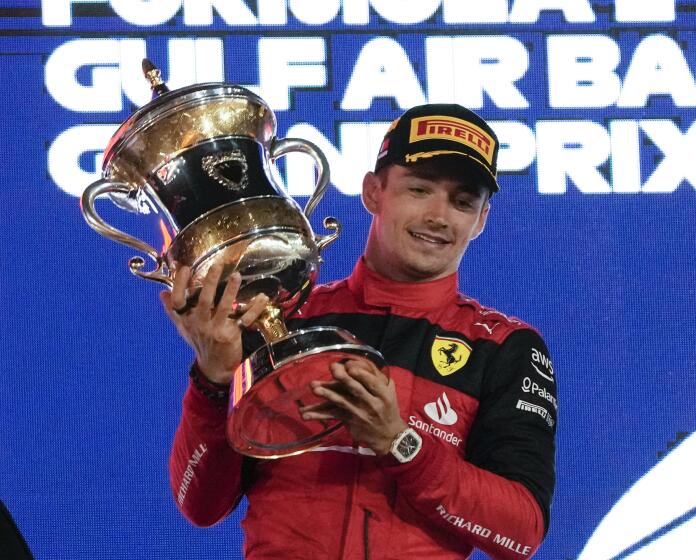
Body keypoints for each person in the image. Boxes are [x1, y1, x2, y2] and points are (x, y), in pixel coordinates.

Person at [163, 104, 557, 559]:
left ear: (481, 219)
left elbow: (523, 532)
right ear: (373, 192)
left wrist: (400, 444)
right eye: (419, 189)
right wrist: (212, 380)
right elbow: (201, 504)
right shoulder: (281, 316)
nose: (439, 216)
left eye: (463, 201)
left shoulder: (502, 347)